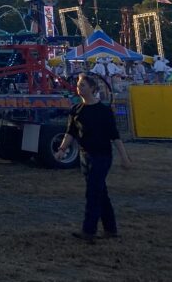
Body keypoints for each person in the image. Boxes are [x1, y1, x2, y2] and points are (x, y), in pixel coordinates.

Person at [53, 74, 132, 243]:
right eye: (78, 85)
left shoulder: (104, 111)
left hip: (102, 155)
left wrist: (124, 158)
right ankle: (111, 229)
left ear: (93, 88)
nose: (79, 88)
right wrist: (61, 150)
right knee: (100, 192)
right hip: (85, 155)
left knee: (93, 192)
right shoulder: (76, 110)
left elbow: (114, 136)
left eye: (82, 85)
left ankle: (89, 231)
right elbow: (70, 133)